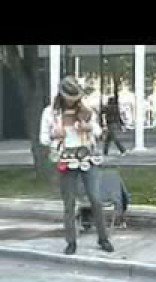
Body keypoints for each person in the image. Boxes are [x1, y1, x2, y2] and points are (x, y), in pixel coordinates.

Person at [40, 76, 114, 255]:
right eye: (70, 97)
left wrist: (89, 128)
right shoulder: (50, 113)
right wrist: (53, 135)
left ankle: (103, 238)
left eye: (76, 97)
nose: (73, 101)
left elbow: (98, 131)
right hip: (66, 158)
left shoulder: (87, 110)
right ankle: (71, 241)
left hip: (87, 156)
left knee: (95, 199)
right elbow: (42, 138)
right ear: (62, 95)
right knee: (69, 202)